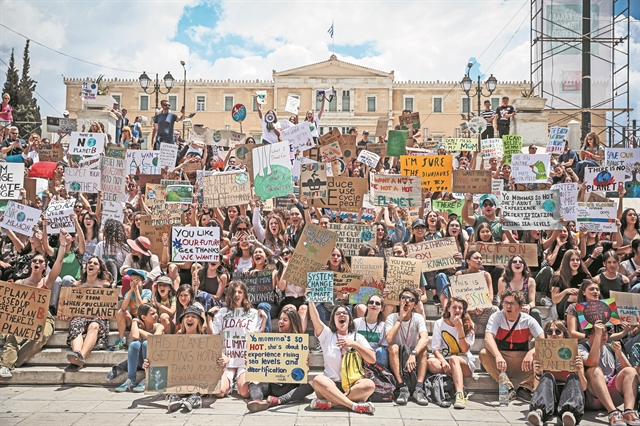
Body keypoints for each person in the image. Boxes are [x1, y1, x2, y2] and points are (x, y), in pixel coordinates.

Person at [0, 243, 66, 378]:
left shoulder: (46, 282)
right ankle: (6, 365)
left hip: (43, 317)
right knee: (13, 335)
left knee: (40, 336)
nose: (36, 262)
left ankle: (12, 362)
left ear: (44, 266)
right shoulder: (19, 283)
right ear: (31, 265)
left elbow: (58, 262)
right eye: (34, 260)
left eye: (40, 261)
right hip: (23, 315)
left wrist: (63, 243)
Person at [306, 292, 376, 414]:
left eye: (345, 313)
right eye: (338, 313)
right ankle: (353, 405)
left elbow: (372, 359)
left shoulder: (357, 337)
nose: (341, 315)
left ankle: (331, 403)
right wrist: (310, 299)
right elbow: (316, 319)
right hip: (330, 386)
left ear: (349, 319)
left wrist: (353, 344)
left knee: (369, 384)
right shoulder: (327, 335)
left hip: (352, 386)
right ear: (333, 319)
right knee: (318, 380)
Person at [479, 288, 544, 403]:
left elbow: (543, 341)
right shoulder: (496, 317)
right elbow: (488, 339)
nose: (508, 306)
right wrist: (498, 356)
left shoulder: (528, 320)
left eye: (512, 303)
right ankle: (508, 388)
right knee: (484, 353)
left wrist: (531, 353)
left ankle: (525, 389)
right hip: (502, 361)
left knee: (543, 355)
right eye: (505, 303)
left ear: (519, 306)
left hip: (523, 362)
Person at [245, 308, 314, 412]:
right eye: (280, 319)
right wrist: (252, 362)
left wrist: (304, 367)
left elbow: (305, 371)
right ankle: (257, 401)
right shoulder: (271, 341)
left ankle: (279, 400)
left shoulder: (300, 345)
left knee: (311, 384)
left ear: (292, 323)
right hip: (270, 384)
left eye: (285, 320)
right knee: (253, 381)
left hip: (288, 386)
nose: (280, 322)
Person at [210, 281, 266, 399]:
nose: (236, 294)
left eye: (240, 292)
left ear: (244, 294)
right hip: (227, 359)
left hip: (244, 360)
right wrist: (208, 317)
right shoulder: (222, 313)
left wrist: (264, 320)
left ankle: (238, 382)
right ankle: (229, 384)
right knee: (219, 392)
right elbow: (213, 335)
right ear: (229, 294)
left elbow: (257, 337)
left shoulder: (253, 313)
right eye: (234, 292)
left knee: (245, 393)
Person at [579, 320, 640, 426]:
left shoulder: (610, 347)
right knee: (595, 370)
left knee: (630, 371)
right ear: (589, 335)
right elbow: (592, 362)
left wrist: (620, 355)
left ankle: (628, 412)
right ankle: (613, 413)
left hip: (611, 394)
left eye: (605, 332)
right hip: (592, 396)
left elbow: (630, 374)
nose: (604, 335)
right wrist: (598, 337)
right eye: (599, 332)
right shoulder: (581, 347)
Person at [527, 320, 587, 426]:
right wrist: (538, 373)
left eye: (558, 332)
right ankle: (539, 413)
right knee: (547, 376)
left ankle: (568, 414)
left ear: (564, 334)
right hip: (549, 398)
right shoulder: (541, 353)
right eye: (550, 332)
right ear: (546, 335)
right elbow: (536, 388)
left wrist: (579, 371)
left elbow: (584, 387)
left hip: (570, 395)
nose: (554, 334)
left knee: (573, 376)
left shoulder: (575, 352)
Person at [61, 256, 113, 370]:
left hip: (97, 317)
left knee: (94, 326)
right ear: (86, 267)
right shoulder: (76, 285)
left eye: (95, 263)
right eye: (89, 262)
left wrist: (105, 312)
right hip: (81, 315)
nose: (92, 264)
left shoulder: (105, 285)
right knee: (75, 325)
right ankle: (77, 353)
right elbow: (70, 303)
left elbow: (109, 303)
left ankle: (79, 358)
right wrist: (66, 311)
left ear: (99, 269)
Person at [427, 296, 476, 409]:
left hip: (464, 362)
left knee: (454, 358)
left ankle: (459, 394)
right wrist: (443, 362)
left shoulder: (469, 324)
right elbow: (435, 349)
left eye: (460, 308)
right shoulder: (439, 323)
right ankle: (455, 377)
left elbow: (464, 349)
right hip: (447, 362)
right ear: (448, 309)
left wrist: (459, 328)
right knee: (430, 363)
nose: (457, 310)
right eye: (454, 307)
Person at [385, 287, 430, 406]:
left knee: (423, 349)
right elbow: (389, 339)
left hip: (413, 354)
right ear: (399, 301)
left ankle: (419, 388)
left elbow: (425, 338)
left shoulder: (418, 318)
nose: (407, 301)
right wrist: (400, 318)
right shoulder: (392, 317)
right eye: (404, 298)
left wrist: (413, 354)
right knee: (392, 347)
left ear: (414, 305)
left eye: (411, 299)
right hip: (398, 355)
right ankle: (402, 387)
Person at [110, 303, 164, 392]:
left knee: (147, 343)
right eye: (152, 314)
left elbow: (155, 339)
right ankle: (130, 380)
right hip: (140, 362)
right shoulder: (136, 325)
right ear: (143, 317)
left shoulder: (159, 326)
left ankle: (148, 379)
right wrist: (134, 321)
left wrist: (139, 330)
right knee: (134, 344)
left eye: (156, 313)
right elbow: (135, 336)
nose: (156, 315)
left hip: (156, 361)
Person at [113, 270, 152, 350]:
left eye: (136, 280)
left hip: (143, 320)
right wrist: (131, 291)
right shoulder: (128, 293)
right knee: (121, 312)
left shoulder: (147, 292)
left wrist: (137, 291)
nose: (134, 282)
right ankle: (122, 339)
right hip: (133, 321)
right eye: (131, 280)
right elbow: (123, 308)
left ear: (143, 282)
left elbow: (142, 307)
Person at [497, 256, 542, 325]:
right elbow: (502, 301)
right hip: (508, 307)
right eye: (514, 262)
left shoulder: (530, 281)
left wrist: (528, 307)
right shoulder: (502, 281)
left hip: (524, 308)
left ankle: (539, 335)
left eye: (520, 262)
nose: (518, 263)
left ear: (524, 265)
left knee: (536, 313)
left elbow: (533, 302)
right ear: (510, 265)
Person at [354, 294, 388, 368]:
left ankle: (380, 374)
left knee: (382, 351)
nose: (374, 305)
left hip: (375, 357)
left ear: (382, 308)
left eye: (377, 303)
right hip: (359, 354)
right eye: (371, 302)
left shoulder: (383, 326)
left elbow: (383, 346)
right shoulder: (356, 322)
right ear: (367, 305)